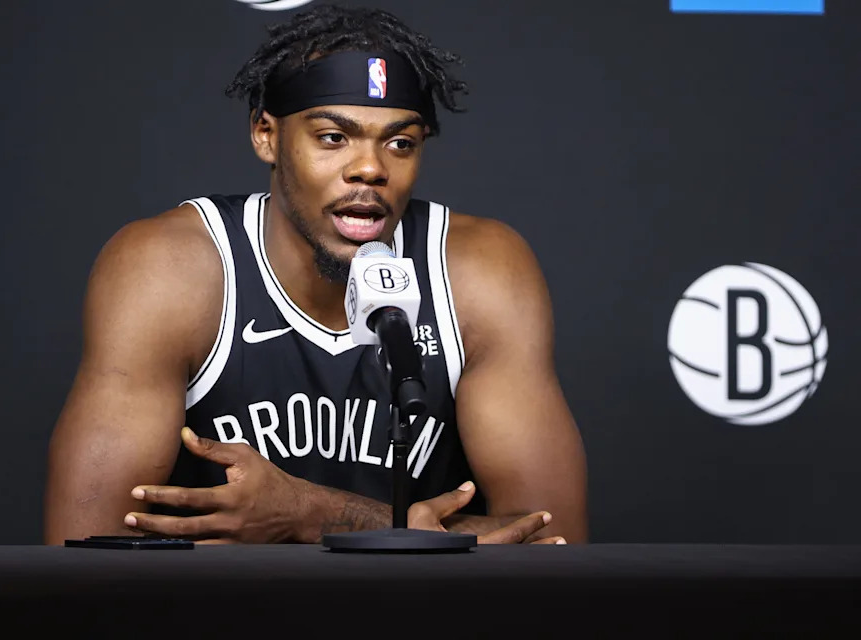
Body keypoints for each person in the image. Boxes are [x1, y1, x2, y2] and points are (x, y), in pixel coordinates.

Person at [42, 4, 588, 546]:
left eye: (400, 143)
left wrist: (309, 512)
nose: (371, 168)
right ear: (266, 135)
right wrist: (422, 534)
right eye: (333, 137)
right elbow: (82, 553)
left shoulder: (476, 270)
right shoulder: (170, 268)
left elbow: (553, 546)